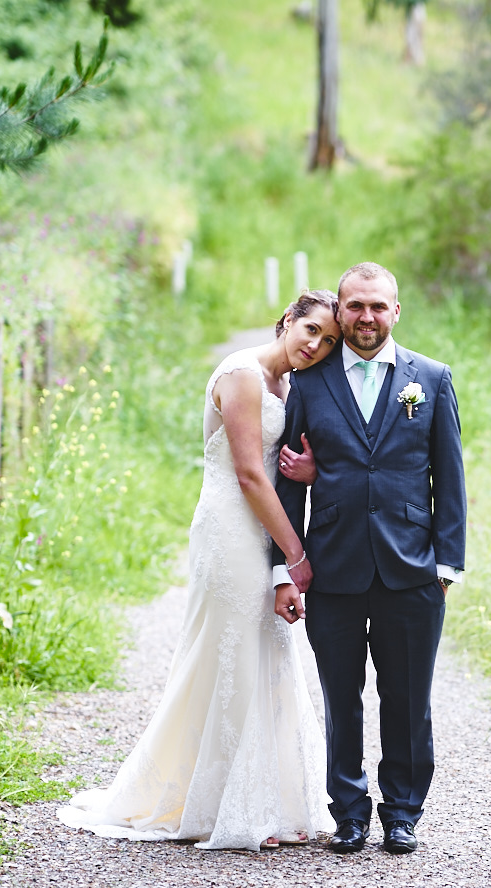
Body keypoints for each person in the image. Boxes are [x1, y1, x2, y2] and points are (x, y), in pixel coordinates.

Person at [57, 291, 340, 850]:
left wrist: (291, 531)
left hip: (264, 529)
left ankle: (267, 801)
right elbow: (249, 475)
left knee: (268, 652)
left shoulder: (291, 385)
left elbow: (284, 473)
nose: (316, 344)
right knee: (231, 650)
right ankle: (217, 805)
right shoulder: (241, 374)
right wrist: (297, 555)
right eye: (310, 329)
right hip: (231, 528)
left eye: (328, 340)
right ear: (287, 320)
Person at [271, 262, 466, 855]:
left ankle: (403, 812)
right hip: (333, 564)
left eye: (378, 307)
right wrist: (286, 566)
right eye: (355, 306)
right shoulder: (310, 381)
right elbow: (288, 481)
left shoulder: (429, 379)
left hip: (411, 568)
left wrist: (446, 565)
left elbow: (449, 477)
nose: (366, 318)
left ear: (396, 311)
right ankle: (349, 811)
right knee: (340, 694)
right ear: (341, 310)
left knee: (408, 698)